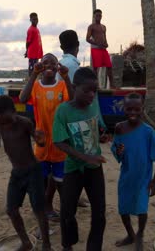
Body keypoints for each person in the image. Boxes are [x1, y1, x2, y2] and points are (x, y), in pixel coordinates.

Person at [0, 95, 51, 251]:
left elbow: (39, 141)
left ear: (14, 112)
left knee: (39, 209)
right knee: (11, 210)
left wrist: (41, 140)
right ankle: (26, 242)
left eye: (6, 119)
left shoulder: (25, 123)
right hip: (17, 172)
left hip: (33, 171)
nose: (2, 122)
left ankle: (46, 245)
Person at [53, 67, 110, 251]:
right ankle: (68, 244)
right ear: (75, 87)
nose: (92, 95)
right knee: (67, 211)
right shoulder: (63, 111)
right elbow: (60, 142)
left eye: (95, 90)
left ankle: (94, 247)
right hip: (73, 168)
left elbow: (99, 127)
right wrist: (85, 157)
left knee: (99, 213)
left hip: (94, 169)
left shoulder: (94, 105)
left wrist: (102, 135)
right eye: (87, 90)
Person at [19, 53, 73, 221]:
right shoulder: (36, 86)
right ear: (40, 66)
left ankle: (63, 212)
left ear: (58, 66)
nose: (49, 65)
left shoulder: (62, 85)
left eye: (53, 62)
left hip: (60, 144)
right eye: (45, 62)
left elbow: (72, 100)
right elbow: (22, 99)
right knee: (41, 182)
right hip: (41, 145)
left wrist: (66, 77)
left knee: (60, 182)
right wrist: (34, 74)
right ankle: (43, 212)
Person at [110, 92, 155, 251]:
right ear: (124, 109)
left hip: (143, 179)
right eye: (129, 109)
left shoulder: (148, 132)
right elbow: (117, 151)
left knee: (141, 209)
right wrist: (119, 151)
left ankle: (140, 235)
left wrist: (154, 181)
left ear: (142, 109)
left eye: (136, 109)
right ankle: (130, 234)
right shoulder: (119, 128)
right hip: (126, 176)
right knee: (123, 208)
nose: (132, 112)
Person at [86, 9, 114, 88]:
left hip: (103, 49)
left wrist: (106, 43)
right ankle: (96, 85)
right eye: (97, 15)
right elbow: (87, 39)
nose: (99, 17)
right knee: (96, 68)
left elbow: (104, 37)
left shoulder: (103, 27)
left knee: (109, 66)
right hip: (96, 49)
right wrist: (97, 43)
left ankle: (112, 85)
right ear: (94, 16)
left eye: (100, 15)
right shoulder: (91, 26)